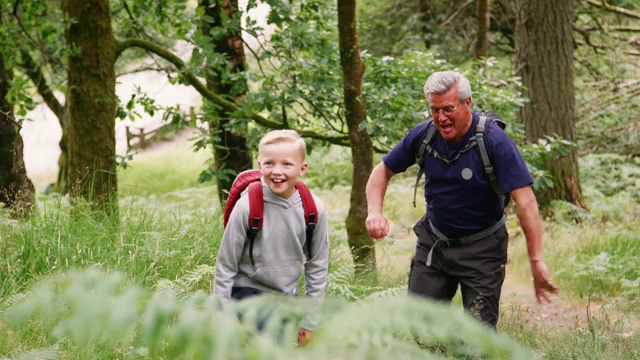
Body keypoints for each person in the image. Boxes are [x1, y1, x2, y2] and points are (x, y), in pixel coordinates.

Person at [365, 71, 558, 329]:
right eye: (435, 110)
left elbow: (526, 203)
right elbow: (382, 171)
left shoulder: (493, 141)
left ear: (467, 104)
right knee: (422, 329)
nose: (441, 118)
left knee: (478, 339)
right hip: (435, 244)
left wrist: (536, 261)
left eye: (448, 109)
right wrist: (374, 212)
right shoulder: (423, 136)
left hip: (483, 250)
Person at [214, 129, 329, 345]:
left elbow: (317, 265)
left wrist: (310, 320)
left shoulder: (313, 210)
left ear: (302, 168)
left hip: (285, 296)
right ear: (259, 166)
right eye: (269, 163)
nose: (277, 171)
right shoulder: (247, 206)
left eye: (286, 164)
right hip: (247, 290)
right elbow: (226, 264)